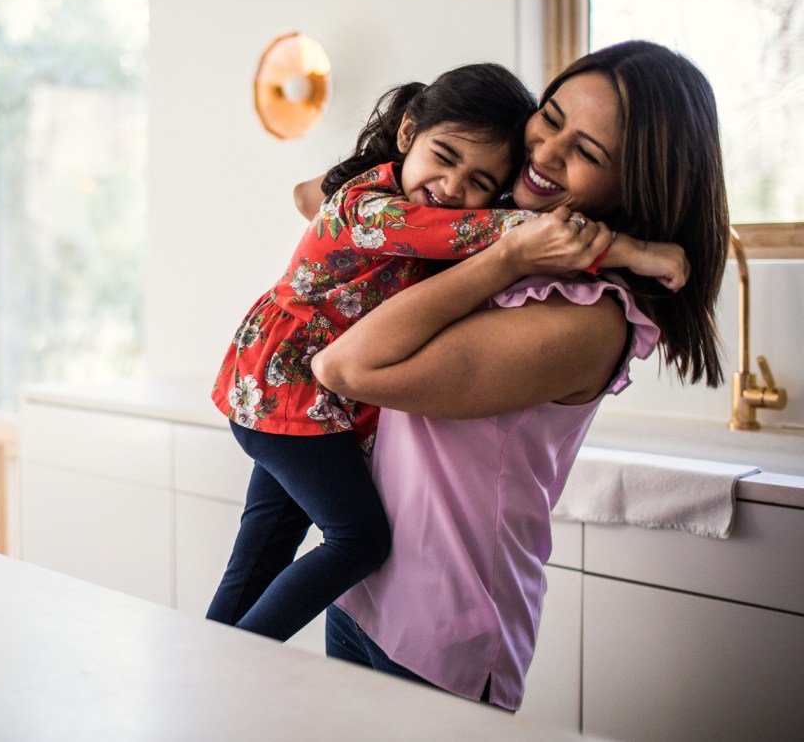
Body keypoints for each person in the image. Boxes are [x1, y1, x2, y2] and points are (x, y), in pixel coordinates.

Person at [308, 40, 728, 711]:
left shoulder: (586, 318)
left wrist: (506, 258)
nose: (545, 152)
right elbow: (321, 204)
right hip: (363, 591)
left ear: (637, 185)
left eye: (587, 153)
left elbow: (346, 366)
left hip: (441, 630)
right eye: (551, 116)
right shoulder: (504, 235)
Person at [207, 61, 682, 644]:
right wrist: (630, 250)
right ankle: (235, 661)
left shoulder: (397, 202)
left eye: (480, 182)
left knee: (262, 549)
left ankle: (217, 652)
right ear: (408, 134)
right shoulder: (378, 209)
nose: (455, 189)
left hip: (296, 399)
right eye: (446, 156)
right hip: (288, 389)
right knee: (357, 540)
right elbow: (485, 234)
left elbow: (331, 199)